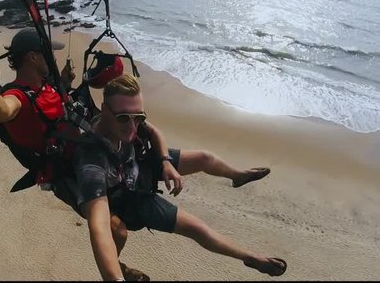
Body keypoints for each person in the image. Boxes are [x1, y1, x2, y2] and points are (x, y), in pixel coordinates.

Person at [0, 27, 148, 280]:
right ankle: (116, 270)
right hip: (63, 171)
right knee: (118, 230)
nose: (54, 59)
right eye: (49, 54)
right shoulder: (18, 96)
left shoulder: (46, 86)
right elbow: (2, 109)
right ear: (33, 58)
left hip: (85, 151)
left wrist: (66, 83)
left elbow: (56, 106)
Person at [73, 73, 287, 281]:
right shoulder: (91, 161)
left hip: (139, 165)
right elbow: (99, 226)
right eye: (124, 118)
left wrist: (166, 161)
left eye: (139, 117)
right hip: (126, 196)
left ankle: (237, 175)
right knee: (197, 228)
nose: (132, 126)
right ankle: (251, 258)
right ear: (105, 110)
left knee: (204, 157)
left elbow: (153, 132)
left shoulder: (127, 122)